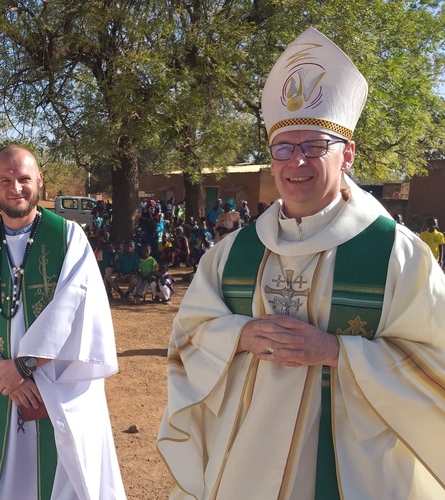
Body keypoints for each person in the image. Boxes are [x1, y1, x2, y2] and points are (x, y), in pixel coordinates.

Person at [158, 28, 445, 499]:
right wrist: (240, 336)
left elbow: (435, 360)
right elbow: (188, 336)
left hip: (354, 468)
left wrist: (338, 353)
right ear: (271, 160)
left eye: (315, 146)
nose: (298, 162)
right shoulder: (234, 252)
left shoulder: (396, 253)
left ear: (347, 154)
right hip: (246, 461)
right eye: (284, 148)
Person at [0, 144, 125, 499]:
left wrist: (23, 367)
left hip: (52, 384)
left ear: (40, 182)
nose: (16, 188)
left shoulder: (68, 237)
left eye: (24, 179)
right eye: (6, 180)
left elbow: (73, 307)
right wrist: (1, 370)